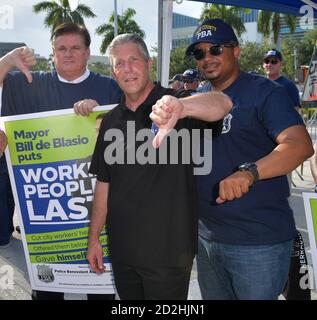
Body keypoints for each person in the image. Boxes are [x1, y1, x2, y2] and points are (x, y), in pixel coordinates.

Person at [86, 33, 232, 300]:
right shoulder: (110, 121)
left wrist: (181, 106)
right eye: (119, 63)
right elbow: (104, 185)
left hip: (169, 255)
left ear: (149, 63)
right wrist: (93, 237)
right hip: (123, 252)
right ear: (113, 71)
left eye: (134, 60)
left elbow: (222, 103)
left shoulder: (174, 104)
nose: (127, 69)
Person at [185, 18, 313, 300]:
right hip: (207, 239)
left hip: (257, 243)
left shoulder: (264, 92)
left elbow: (300, 145)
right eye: (199, 53)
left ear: (236, 51)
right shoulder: (197, 99)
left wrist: (249, 173)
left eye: (215, 49)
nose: (207, 58)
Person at [0, 22, 122, 300]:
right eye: (61, 48)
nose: (68, 54)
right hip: (47, 219)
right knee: (46, 294)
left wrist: (101, 117)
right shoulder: (27, 82)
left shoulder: (109, 90)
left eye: (75, 48)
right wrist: (7, 60)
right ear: (52, 52)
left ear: (88, 52)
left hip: (97, 216)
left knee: (100, 292)